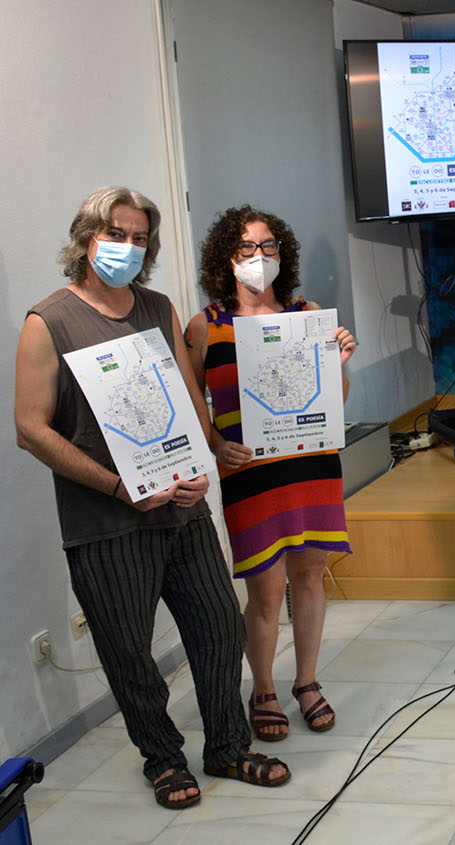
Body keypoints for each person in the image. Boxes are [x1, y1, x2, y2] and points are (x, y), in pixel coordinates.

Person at [15, 186, 290, 810]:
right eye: (117, 234)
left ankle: (226, 744)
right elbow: (29, 428)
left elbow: (191, 401)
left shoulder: (159, 306)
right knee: (128, 650)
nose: (128, 248)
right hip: (106, 523)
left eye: (140, 239)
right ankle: (163, 759)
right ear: (87, 239)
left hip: (183, 508)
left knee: (219, 627)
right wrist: (118, 487)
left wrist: (204, 460)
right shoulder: (48, 322)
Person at [185, 206, 356, 741]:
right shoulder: (205, 326)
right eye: (245, 248)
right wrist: (215, 444)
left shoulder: (308, 315)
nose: (258, 258)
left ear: (283, 255)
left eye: (268, 247)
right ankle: (262, 687)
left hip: (311, 467)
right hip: (251, 474)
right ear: (225, 259)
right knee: (264, 590)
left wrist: (341, 364)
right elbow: (191, 403)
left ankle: (306, 682)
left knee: (309, 575)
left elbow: (337, 402)